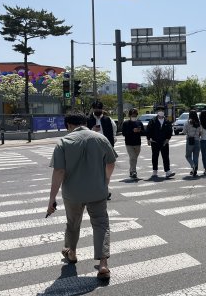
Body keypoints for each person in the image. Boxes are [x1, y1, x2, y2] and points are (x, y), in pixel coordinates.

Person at [47, 111, 117, 280]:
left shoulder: (64, 142)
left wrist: (52, 199)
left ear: (69, 125)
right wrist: (105, 181)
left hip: (73, 193)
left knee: (72, 223)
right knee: (101, 225)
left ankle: (71, 252)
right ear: (84, 122)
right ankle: (103, 264)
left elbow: (59, 171)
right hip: (97, 191)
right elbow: (111, 162)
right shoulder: (101, 139)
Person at [146, 105, 175, 179]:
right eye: (159, 110)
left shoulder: (167, 121)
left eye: (162, 110)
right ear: (157, 112)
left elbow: (170, 131)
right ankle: (155, 171)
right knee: (155, 156)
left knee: (165, 157)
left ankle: (167, 171)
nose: (161, 112)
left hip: (164, 142)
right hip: (155, 142)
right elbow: (148, 130)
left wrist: (168, 139)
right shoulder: (153, 121)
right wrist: (148, 139)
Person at [121, 108, 143, 179]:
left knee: (134, 158)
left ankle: (131, 170)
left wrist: (139, 131)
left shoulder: (139, 123)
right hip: (129, 143)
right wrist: (132, 131)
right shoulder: (126, 123)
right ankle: (134, 171)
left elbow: (144, 132)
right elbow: (124, 133)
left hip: (137, 143)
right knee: (133, 157)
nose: (134, 117)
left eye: (135, 115)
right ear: (130, 115)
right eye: (132, 115)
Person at [182, 110, 202, 176]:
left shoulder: (187, 122)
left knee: (188, 155)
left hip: (190, 140)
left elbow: (184, 132)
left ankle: (193, 166)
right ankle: (195, 170)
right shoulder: (199, 123)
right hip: (197, 140)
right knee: (196, 156)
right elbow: (200, 132)